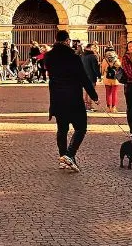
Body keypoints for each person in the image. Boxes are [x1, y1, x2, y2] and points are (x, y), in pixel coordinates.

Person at [44, 31, 98, 171]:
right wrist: (94, 96)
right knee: (81, 128)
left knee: (62, 129)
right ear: (67, 41)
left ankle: (64, 158)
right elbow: (83, 77)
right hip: (73, 97)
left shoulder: (49, 56)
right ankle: (69, 154)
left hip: (57, 97)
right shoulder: (73, 57)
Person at [80, 44, 101, 112]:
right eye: (93, 47)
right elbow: (95, 68)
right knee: (91, 91)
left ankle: (86, 105)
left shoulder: (83, 56)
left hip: (84, 76)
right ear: (90, 48)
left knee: (86, 91)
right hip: (91, 76)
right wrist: (99, 76)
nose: (95, 49)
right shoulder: (92, 56)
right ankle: (89, 106)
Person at [99, 49, 120, 114]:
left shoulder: (105, 60)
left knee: (108, 93)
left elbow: (102, 70)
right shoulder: (116, 60)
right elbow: (119, 67)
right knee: (114, 93)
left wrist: (102, 75)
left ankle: (108, 107)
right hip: (115, 79)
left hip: (107, 78)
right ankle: (113, 108)